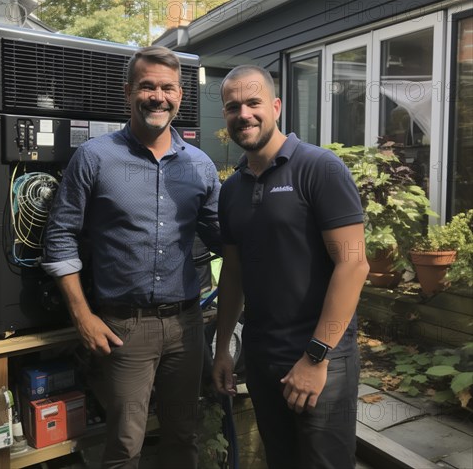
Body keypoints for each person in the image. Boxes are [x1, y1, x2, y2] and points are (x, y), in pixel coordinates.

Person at [42, 46, 221, 469]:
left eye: (167, 88)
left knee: (184, 434)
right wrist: (83, 317)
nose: (158, 97)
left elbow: (225, 235)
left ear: (180, 96)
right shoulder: (95, 157)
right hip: (124, 327)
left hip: (186, 324)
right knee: (124, 445)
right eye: (147, 87)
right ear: (128, 93)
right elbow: (60, 237)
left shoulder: (200, 166)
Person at [212, 65, 369, 469]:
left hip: (322, 358)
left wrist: (315, 358)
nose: (243, 114)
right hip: (263, 356)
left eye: (253, 103)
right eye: (232, 107)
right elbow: (233, 273)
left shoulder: (319, 168)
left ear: (276, 106)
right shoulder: (231, 189)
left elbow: (353, 266)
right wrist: (224, 346)